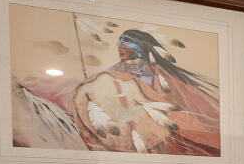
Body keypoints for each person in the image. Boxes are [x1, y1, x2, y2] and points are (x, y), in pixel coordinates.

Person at [71, 29, 221, 156]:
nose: (120, 44)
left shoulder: (161, 75)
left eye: (127, 40)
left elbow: (176, 105)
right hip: (130, 133)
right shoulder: (110, 75)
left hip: (164, 132)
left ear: (143, 46)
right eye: (120, 40)